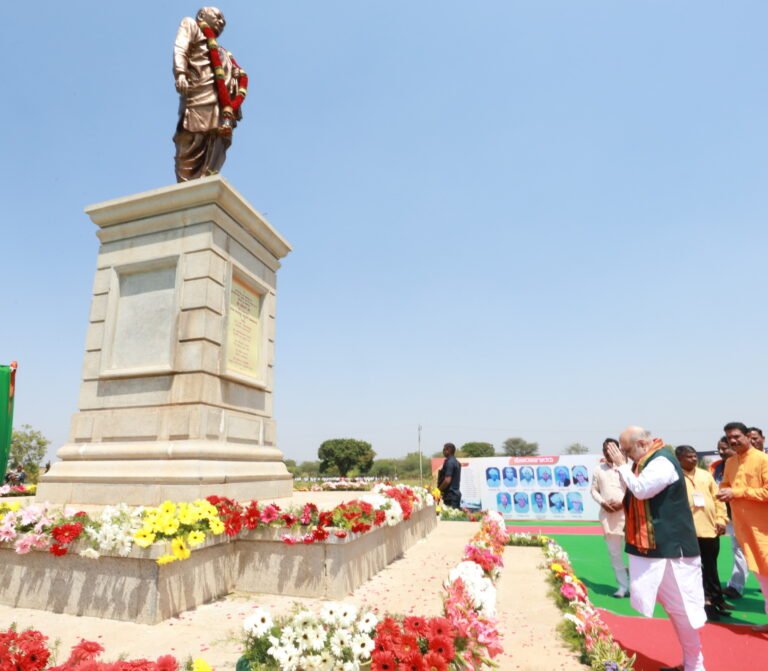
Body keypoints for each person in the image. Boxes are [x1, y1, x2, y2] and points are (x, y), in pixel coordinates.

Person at [606, 427, 706, 671]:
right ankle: (691, 663)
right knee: (674, 609)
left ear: (642, 443)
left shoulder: (661, 462)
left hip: (673, 551)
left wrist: (620, 466)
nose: (626, 456)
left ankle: (696, 666)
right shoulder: (647, 461)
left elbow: (641, 490)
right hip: (660, 551)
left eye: (628, 450)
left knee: (683, 610)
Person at [173, 7, 246, 181]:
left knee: (217, 139)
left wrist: (235, 77)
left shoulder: (223, 51)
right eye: (218, 17)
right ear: (202, 15)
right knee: (191, 138)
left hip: (220, 105)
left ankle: (208, 176)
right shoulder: (191, 24)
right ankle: (188, 181)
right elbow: (180, 48)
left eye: (224, 22)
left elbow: (227, 78)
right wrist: (181, 73)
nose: (221, 22)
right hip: (198, 94)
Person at [717, 421, 768, 628]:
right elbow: (725, 486)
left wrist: (737, 493)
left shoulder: (762, 460)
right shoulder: (730, 462)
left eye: (737, 436)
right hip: (742, 528)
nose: (734, 441)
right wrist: (724, 493)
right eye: (730, 438)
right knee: (761, 576)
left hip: (763, 529)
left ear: (748, 436)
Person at [675, 445, 730, 620]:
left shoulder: (705, 475)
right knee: (692, 570)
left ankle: (716, 599)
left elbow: (718, 498)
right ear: (679, 459)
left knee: (711, 567)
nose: (693, 459)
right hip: (688, 533)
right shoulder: (674, 477)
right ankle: (702, 603)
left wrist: (722, 519)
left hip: (710, 529)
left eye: (694, 456)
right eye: (689, 457)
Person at [709, 436, 749, 600]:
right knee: (738, 549)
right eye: (719, 448)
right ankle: (735, 585)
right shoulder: (717, 467)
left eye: (725, 448)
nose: (722, 451)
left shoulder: (743, 466)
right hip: (728, 516)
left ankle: (736, 585)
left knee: (746, 551)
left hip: (746, 515)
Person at [590, 438, 629, 597]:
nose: (608, 452)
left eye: (612, 449)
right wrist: (603, 503)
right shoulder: (598, 469)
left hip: (628, 515)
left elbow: (633, 489)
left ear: (619, 450)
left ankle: (635, 585)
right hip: (608, 516)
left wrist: (623, 503)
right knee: (615, 553)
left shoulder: (627, 468)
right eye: (605, 449)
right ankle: (622, 586)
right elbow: (593, 490)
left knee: (634, 554)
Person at [437, 443, 462, 509]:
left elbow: (447, 480)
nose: (443, 451)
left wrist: (438, 490)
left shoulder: (450, 462)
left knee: (450, 517)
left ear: (447, 450)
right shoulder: (456, 462)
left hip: (451, 496)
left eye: (444, 449)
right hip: (455, 495)